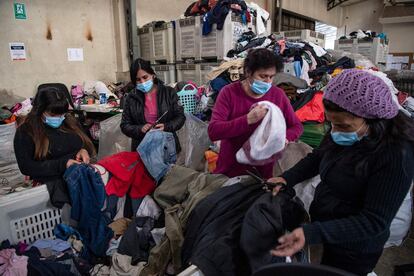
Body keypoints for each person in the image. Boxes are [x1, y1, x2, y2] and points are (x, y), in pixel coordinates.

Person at [270, 69, 414, 275]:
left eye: (343, 125)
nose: (335, 131)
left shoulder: (396, 155)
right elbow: (318, 156)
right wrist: (286, 178)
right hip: (326, 227)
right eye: (332, 123)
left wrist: (312, 233)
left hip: (355, 248)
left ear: (372, 119)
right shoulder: (345, 129)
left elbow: (374, 221)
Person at [208, 49, 303, 179]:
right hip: (231, 169)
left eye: (271, 77)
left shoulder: (278, 95)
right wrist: (247, 119)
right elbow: (214, 131)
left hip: (263, 172)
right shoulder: (229, 93)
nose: (268, 82)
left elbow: (297, 126)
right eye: (263, 76)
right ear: (248, 72)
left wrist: (284, 137)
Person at [14, 86, 95, 206]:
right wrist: (63, 164)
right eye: (53, 115)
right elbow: (26, 167)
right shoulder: (26, 131)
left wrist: (83, 150)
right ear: (39, 110)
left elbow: (86, 144)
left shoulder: (69, 122)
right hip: (50, 185)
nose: (59, 118)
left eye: (62, 114)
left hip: (79, 179)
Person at [121, 58, 186, 152]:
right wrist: (140, 129)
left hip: (167, 146)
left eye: (145, 77)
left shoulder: (169, 93)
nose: (142, 82)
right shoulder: (131, 98)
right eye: (138, 80)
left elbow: (180, 117)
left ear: (153, 75)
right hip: (142, 148)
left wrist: (166, 126)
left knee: (168, 167)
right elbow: (124, 125)